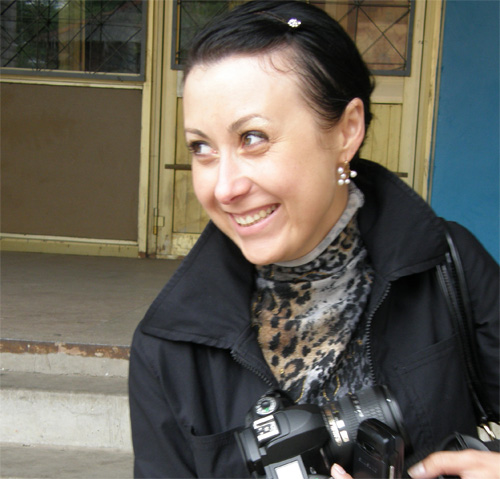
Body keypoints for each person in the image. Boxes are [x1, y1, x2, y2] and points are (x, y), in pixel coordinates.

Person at [129, 1, 499, 478]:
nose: (224, 188)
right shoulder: (169, 344)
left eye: (253, 138)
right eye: (202, 147)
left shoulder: (446, 267)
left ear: (347, 130)